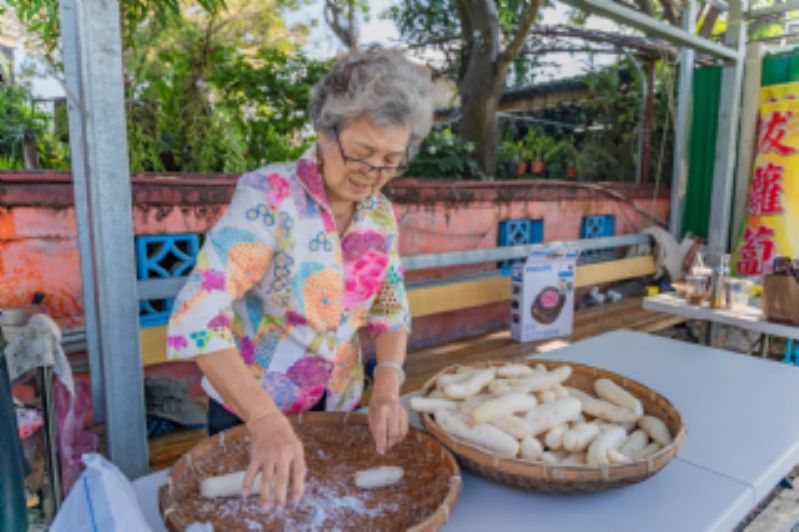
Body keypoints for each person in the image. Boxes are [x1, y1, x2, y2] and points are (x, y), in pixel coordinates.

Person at [166, 45, 434, 511]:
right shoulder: (271, 199)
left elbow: (390, 303)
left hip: (339, 408)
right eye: (362, 153)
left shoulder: (380, 216)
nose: (372, 175)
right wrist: (265, 421)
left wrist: (387, 387)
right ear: (326, 132)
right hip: (251, 408)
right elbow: (196, 316)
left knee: (328, 510)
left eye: (391, 160)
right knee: (256, 514)